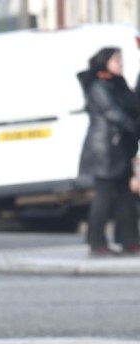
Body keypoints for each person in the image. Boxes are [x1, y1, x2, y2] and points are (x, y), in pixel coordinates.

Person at [78, 47, 140, 256]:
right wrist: (134, 127)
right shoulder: (99, 87)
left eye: (121, 59)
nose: (121, 63)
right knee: (103, 198)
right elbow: (114, 113)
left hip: (119, 150)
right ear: (105, 62)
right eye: (116, 59)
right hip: (104, 152)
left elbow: (133, 104)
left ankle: (130, 241)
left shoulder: (118, 84)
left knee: (125, 199)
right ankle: (96, 243)